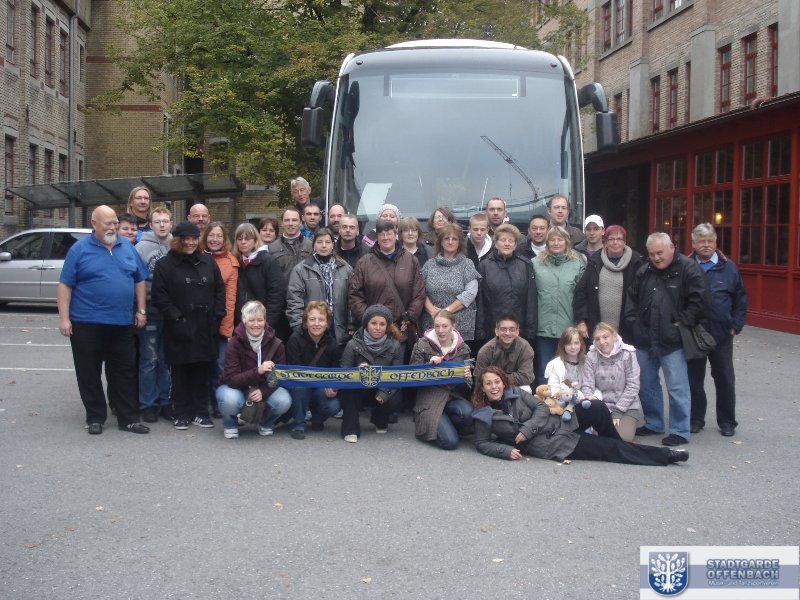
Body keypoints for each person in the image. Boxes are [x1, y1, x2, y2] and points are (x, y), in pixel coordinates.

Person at [58, 205, 151, 435]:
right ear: (94, 224)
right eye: (108, 223)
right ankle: (95, 417)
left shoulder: (127, 247)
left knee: (125, 371)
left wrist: (141, 310)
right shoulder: (79, 250)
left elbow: (139, 279)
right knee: (89, 372)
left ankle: (128, 419)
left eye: (115, 223)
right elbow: (65, 285)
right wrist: (64, 318)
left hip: (122, 323)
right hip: (86, 322)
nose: (113, 227)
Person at [471, 367, 688, 465]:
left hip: (559, 420)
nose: (494, 387)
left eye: (497, 382)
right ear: (482, 387)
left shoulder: (516, 392)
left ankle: (622, 447)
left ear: (503, 383)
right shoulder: (483, 414)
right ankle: (665, 455)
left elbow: (542, 408)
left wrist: (528, 429)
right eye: (488, 383)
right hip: (552, 443)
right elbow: (481, 443)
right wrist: (505, 451)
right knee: (609, 449)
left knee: (597, 407)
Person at [625, 232, 709, 446]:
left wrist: (681, 325)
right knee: (646, 384)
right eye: (652, 254)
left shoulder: (688, 268)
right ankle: (654, 422)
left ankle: (680, 430)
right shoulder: (644, 270)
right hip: (644, 338)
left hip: (672, 340)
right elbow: (631, 299)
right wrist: (634, 324)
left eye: (660, 253)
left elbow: (700, 301)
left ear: (672, 247)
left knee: (677, 387)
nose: (656, 258)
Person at [151, 221, 226, 430]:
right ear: (178, 240)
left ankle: (200, 411)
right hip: (179, 326)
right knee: (180, 372)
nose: (191, 243)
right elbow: (159, 296)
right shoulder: (165, 265)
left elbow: (220, 289)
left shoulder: (207, 261)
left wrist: (217, 315)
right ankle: (181, 412)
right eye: (186, 239)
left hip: (205, 326)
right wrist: (176, 318)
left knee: (202, 370)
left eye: (194, 239)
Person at [687, 223, 747, 437]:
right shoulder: (686, 265)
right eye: (701, 241)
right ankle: (695, 419)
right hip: (694, 333)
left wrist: (736, 325)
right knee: (694, 380)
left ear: (715, 242)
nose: (706, 245)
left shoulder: (728, 267)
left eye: (710, 241)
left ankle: (727, 421)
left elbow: (740, 298)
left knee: (724, 379)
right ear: (693, 244)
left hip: (721, 334)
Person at [216, 300, 292, 439]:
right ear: (244, 321)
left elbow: (278, 377)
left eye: (260, 320)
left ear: (265, 320)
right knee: (228, 398)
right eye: (251, 320)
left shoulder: (277, 344)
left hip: (263, 387)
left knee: (284, 400)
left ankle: (266, 423)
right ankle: (230, 424)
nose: (256, 324)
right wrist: (258, 371)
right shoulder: (234, 343)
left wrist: (264, 391)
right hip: (238, 388)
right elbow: (231, 379)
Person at [348, 219, 426, 336]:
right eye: (381, 234)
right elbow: (355, 295)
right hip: (374, 330)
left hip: (402, 329)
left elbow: (419, 293)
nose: (385, 238)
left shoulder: (411, 260)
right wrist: (369, 318)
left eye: (389, 233)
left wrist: (409, 316)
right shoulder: (364, 262)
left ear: (396, 236)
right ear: (377, 238)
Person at [410, 310, 474, 450]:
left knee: (467, 413)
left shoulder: (463, 348)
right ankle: (430, 421)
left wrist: (466, 377)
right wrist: (429, 367)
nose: (440, 330)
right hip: (430, 398)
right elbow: (412, 378)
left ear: (453, 326)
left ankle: (446, 423)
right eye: (437, 326)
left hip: (453, 397)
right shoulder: (422, 345)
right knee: (450, 443)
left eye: (445, 326)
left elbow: (467, 388)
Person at [339, 304, 404, 443]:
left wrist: (383, 394)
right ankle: (350, 429)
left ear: (387, 326)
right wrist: (357, 370)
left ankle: (380, 420)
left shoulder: (395, 346)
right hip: (358, 387)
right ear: (366, 324)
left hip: (381, 388)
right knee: (348, 392)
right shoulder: (352, 344)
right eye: (373, 323)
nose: (377, 327)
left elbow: (397, 376)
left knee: (395, 396)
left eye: (382, 324)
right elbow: (344, 372)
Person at [532, 226, 585, 386]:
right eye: (552, 240)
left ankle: (569, 401)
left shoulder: (577, 264)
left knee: (568, 372)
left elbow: (582, 296)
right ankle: (545, 401)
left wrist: (581, 321)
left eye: (560, 239)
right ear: (547, 242)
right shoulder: (535, 263)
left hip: (567, 327)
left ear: (566, 242)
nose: (556, 243)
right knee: (544, 371)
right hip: (543, 327)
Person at [574, 224, 645, 344]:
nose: (615, 242)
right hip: (597, 330)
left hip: (628, 330)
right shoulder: (594, 261)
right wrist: (581, 320)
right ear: (605, 242)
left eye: (619, 239)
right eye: (611, 239)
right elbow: (581, 292)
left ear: (625, 242)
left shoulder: (636, 263)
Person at [135, 206, 173, 422]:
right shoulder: (141, 247)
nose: (162, 225)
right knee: (150, 359)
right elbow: (137, 279)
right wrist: (140, 309)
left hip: (170, 312)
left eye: (165, 221)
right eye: (157, 221)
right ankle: (148, 403)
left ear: (171, 223)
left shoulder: (176, 245)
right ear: (150, 224)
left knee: (166, 360)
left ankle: (165, 401)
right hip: (149, 310)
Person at [286, 228, 354, 347]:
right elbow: (294, 302)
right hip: (312, 329)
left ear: (333, 245)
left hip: (338, 329)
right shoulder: (301, 270)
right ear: (313, 245)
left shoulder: (346, 268)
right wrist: (299, 328)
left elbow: (352, 299)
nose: (323, 246)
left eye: (327, 242)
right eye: (319, 242)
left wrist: (351, 324)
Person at [285, 301, 342, 439]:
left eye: (321, 320)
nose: (317, 324)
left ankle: (317, 419)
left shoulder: (332, 343)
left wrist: (333, 386)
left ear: (327, 323)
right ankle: (298, 425)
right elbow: (294, 372)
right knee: (300, 388)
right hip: (299, 385)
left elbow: (335, 370)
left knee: (334, 405)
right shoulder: (295, 339)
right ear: (306, 322)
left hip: (320, 387)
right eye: (312, 319)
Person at [474, 224, 537, 349]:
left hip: (518, 328)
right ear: (496, 243)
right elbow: (480, 300)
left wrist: (530, 330)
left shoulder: (525, 265)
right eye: (503, 240)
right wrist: (480, 329)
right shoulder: (485, 266)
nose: (507, 244)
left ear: (515, 245)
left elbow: (531, 299)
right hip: (492, 327)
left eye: (511, 241)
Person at [580, 322, 644, 442]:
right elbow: (587, 384)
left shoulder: (628, 354)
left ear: (614, 336)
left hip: (626, 406)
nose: (602, 342)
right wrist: (590, 400)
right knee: (600, 438)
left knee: (622, 438)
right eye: (597, 339)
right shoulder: (591, 356)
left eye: (605, 337)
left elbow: (633, 386)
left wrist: (618, 411)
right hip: (602, 405)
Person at [201, 222, 240, 410]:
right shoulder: (196, 257)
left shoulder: (231, 263)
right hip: (198, 323)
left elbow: (230, 300)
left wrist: (226, 329)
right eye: (211, 235)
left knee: (220, 365)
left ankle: (219, 404)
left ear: (224, 240)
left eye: (219, 236)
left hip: (220, 322)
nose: (214, 239)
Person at [421, 223, 480, 341]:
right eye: (446, 238)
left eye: (454, 239)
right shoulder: (429, 265)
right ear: (441, 242)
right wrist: (433, 312)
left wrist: (446, 312)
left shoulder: (467, 264)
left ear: (460, 242)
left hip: (460, 327)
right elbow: (420, 291)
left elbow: (470, 293)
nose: (450, 242)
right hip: (432, 324)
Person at [233, 223, 285, 331]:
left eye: (247, 239)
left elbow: (276, 295)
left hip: (263, 324)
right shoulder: (235, 262)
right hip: (240, 323)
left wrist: (267, 323)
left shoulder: (268, 261)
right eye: (240, 239)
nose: (243, 242)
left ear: (255, 240)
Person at [474, 314, 535, 393]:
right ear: (496, 331)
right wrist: (496, 383)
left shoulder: (525, 348)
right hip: (492, 386)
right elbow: (478, 377)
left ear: (517, 332)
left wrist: (499, 379)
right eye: (503, 329)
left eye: (512, 330)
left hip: (515, 384)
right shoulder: (486, 351)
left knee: (526, 389)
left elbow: (526, 376)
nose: (507, 333)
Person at [268, 207, 312, 285]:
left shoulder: (310, 246)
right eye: (287, 220)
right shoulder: (272, 248)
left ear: (300, 223)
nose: (290, 223)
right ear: (282, 223)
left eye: (294, 220)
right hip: (281, 292)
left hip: (305, 292)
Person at [544, 326, 586, 399]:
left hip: (583, 399)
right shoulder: (556, 364)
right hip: (562, 400)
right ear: (563, 345)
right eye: (569, 344)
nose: (573, 347)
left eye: (576, 343)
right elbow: (553, 386)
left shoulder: (587, 361)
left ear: (581, 344)